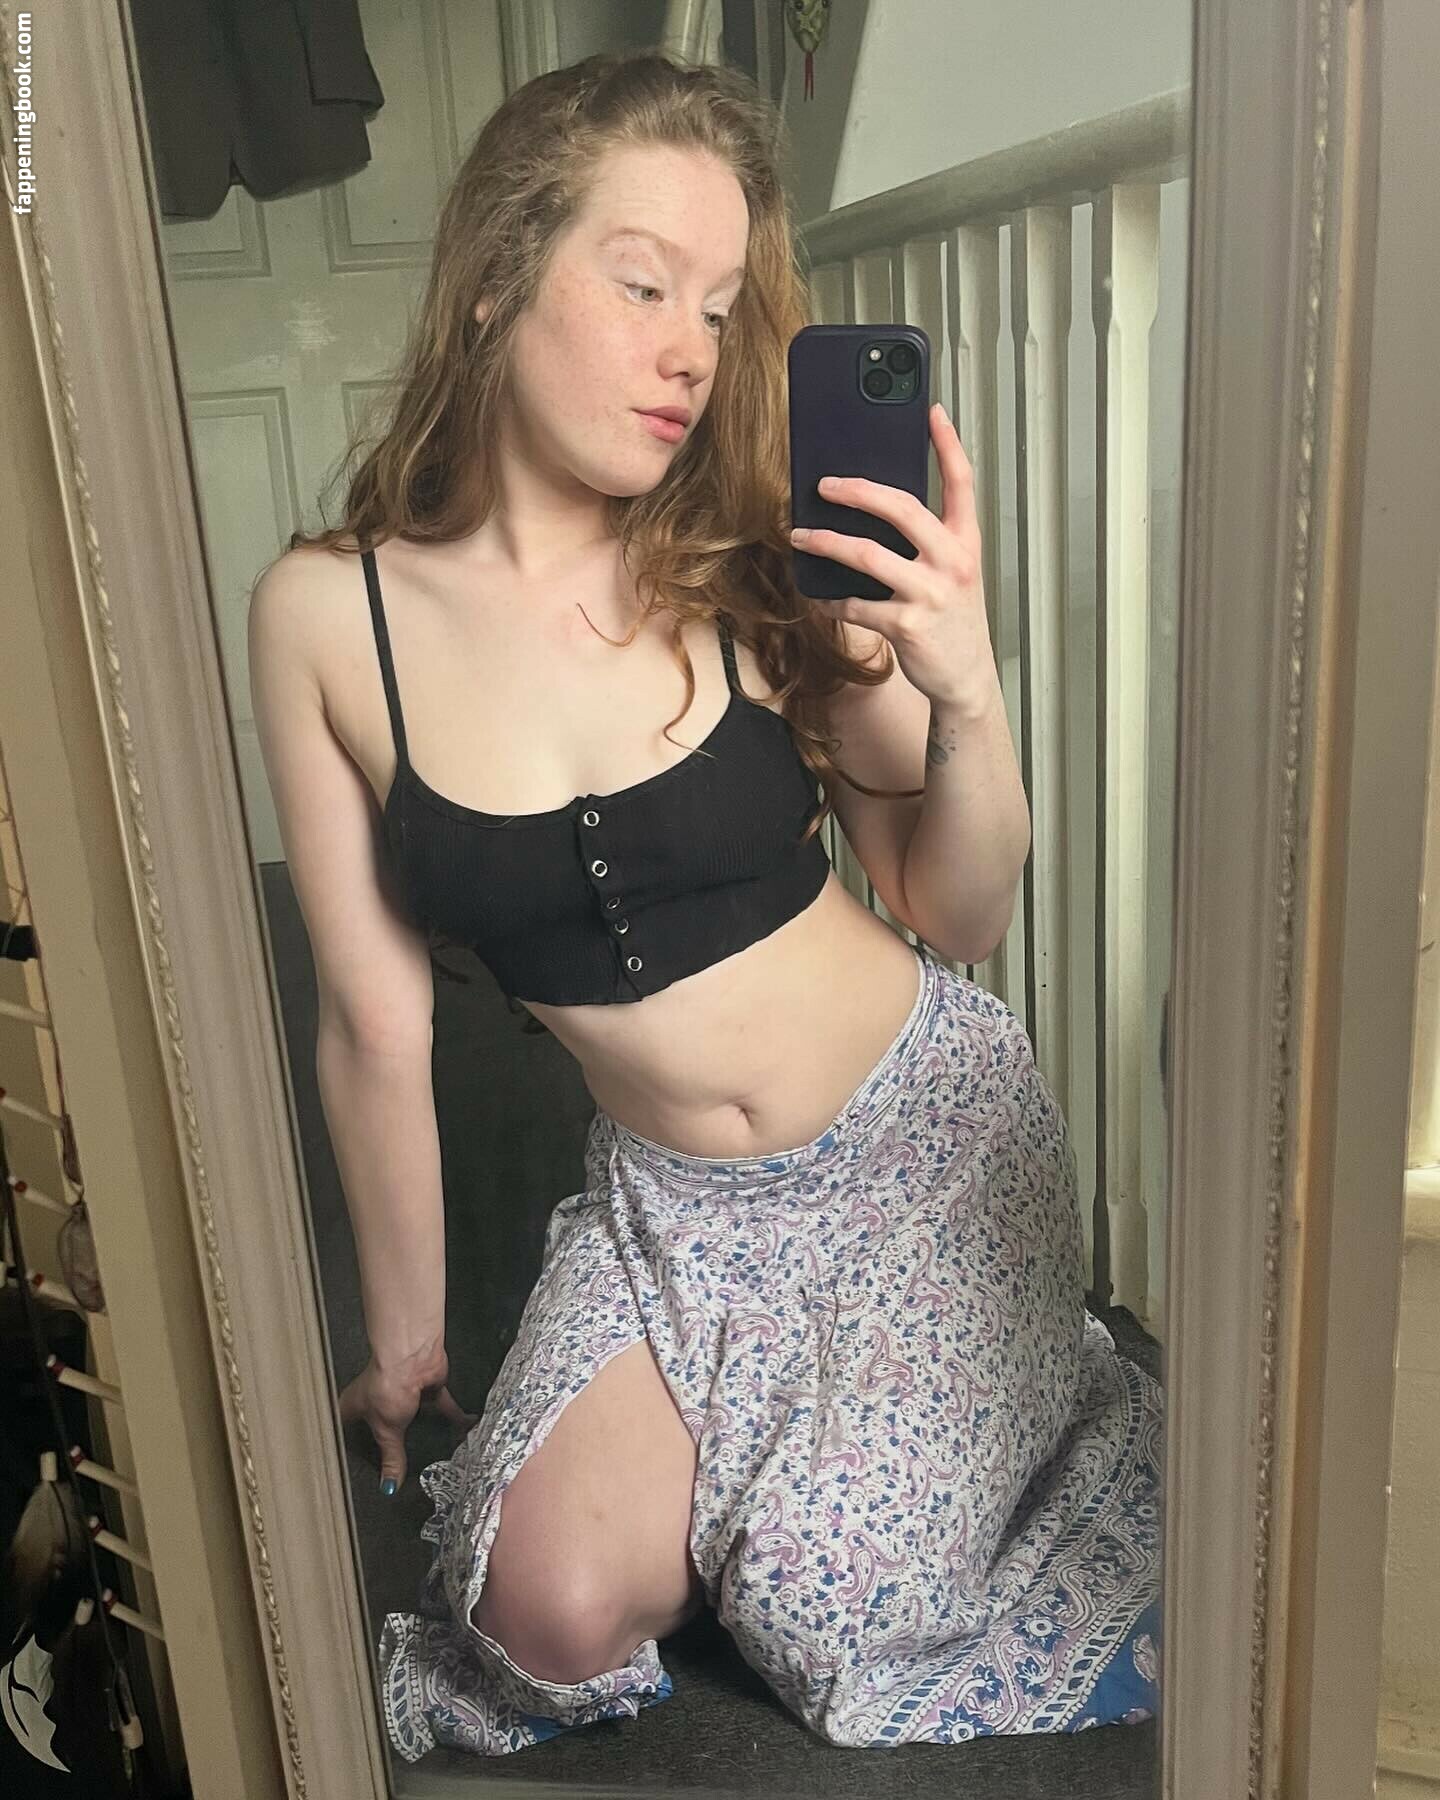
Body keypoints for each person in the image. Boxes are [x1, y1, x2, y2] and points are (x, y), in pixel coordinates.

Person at [248, 49, 1162, 1765]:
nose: (692, 351)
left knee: (833, 1612)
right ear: (497, 276)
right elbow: (372, 1018)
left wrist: (964, 688)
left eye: (724, 308)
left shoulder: (754, 554)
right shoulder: (323, 619)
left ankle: (1007, 1393)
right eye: (643, 283)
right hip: (672, 1211)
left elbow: (960, 907)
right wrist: (406, 1339)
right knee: (533, 1607)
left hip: (918, 1145)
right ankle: (807, 1445)